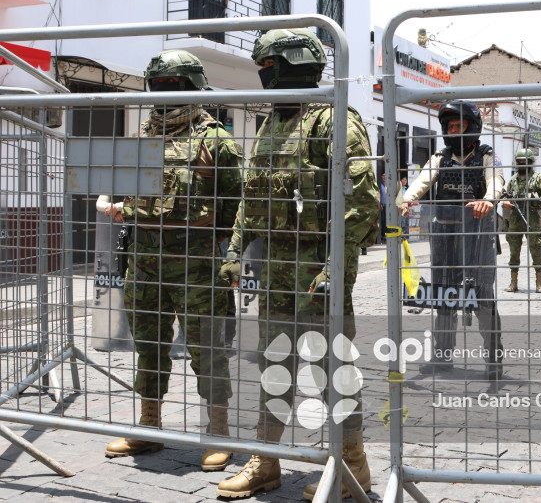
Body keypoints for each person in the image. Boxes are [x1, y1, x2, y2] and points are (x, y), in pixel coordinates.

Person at [217, 28, 379, 499]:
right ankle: (265, 462)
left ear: (291, 65)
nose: (265, 77)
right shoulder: (270, 124)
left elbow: (362, 203)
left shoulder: (334, 121)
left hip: (317, 273)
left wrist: (335, 264)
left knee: (333, 369)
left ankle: (352, 468)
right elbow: (251, 198)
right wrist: (234, 250)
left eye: (269, 68)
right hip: (275, 271)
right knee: (274, 366)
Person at [102, 50, 243, 471]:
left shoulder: (216, 140)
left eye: (173, 85)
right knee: (149, 346)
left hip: (197, 265)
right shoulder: (142, 135)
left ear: (193, 87)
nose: (164, 94)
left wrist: (227, 253)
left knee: (208, 351)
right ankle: (149, 426)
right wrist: (113, 201)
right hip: (144, 263)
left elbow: (237, 207)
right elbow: (124, 189)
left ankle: (217, 433)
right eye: (158, 85)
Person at [401, 100, 505, 380]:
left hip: (478, 238)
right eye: (451, 126)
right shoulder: (439, 157)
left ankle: (494, 358)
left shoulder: (487, 156)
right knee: (444, 296)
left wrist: (488, 200)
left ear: (472, 127)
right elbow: (422, 182)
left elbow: (496, 181)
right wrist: (408, 199)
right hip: (445, 237)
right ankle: (442, 356)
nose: (455, 130)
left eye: (460, 125)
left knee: (483, 296)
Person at [502, 148, 541, 293]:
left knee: (536, 249)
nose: (522, 164)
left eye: (525, 161)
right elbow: (507, 197)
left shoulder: (538, 178)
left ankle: (539, 283)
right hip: (515, 218)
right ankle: (513, 282)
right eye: (520, 162)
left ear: (531, 163)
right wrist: (505, 202)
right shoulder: (513, 180)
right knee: (513, 251)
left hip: (532, 218)